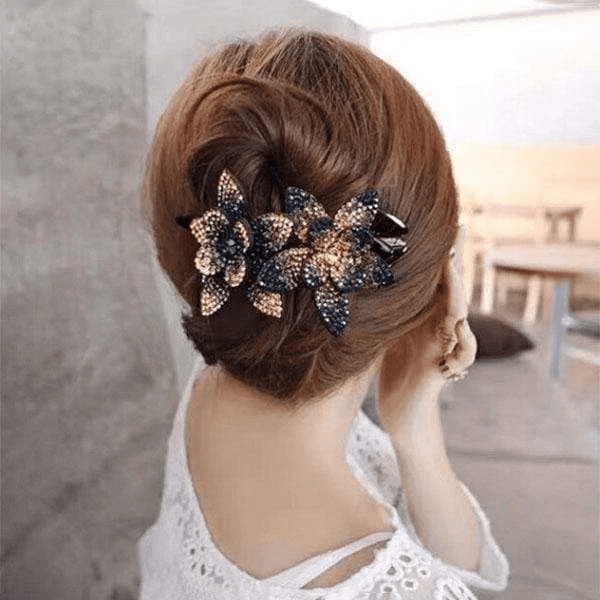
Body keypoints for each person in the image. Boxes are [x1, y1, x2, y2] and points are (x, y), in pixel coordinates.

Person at [138, 29, 509, 599]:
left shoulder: (210, 386)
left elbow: (464, 560)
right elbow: (466, 574)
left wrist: (413, 423)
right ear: (439, 273)